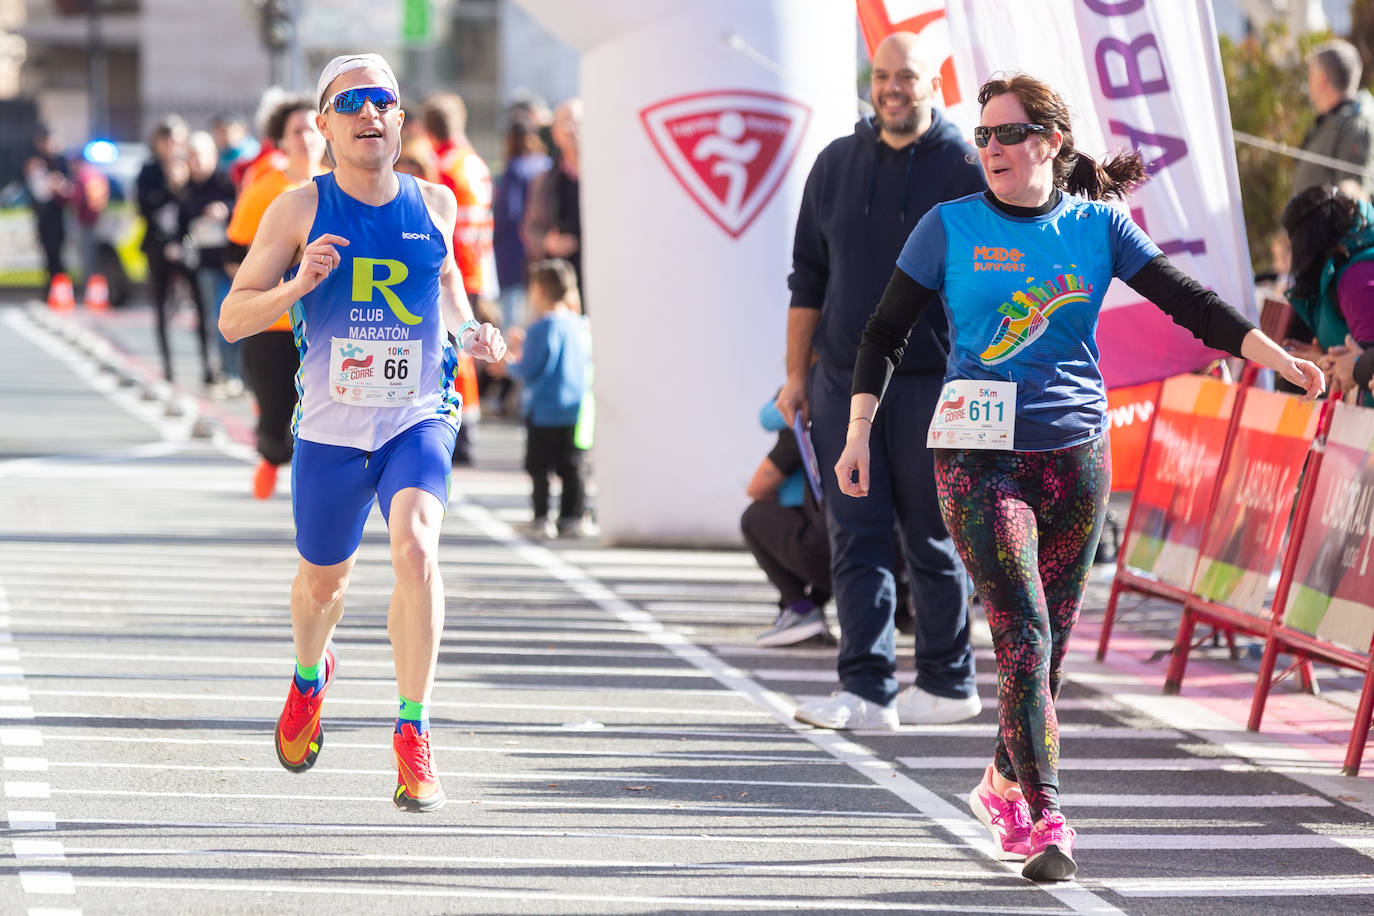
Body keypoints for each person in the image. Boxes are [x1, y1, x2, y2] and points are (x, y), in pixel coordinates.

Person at [836, 72, 1326, 881]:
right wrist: (857, 434)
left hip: (1074, 457)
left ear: (1051, 143)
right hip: (975, 456)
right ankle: (1047, 815)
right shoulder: (947, 226)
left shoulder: (1098, 225)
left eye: (1006, 134)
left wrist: (1278, 357)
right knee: (1023, 629)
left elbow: (1188, 301)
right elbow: (883, 332)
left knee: (1048, 651)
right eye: (982, 135)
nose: (989, 148)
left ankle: (1001, 780)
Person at [220, 53, 507, 812]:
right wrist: (297, 284)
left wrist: (473, 332)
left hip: (417, 415)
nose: (368, 113)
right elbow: (231, 316)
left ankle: (412, 732)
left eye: (382, 101)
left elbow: (449, 292)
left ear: (401, 120)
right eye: (350, 103)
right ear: (324, 127)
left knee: (417, 550)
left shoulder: (435, 204)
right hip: (330, 430)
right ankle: (309, 676)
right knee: (324, 585)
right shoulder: (295, 210)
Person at [778, 32, 986, 732]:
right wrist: (794, 375)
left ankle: (947, 683)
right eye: (883, 76)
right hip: (841, 383)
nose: (893, 88)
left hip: (935, 384)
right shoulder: (836, 163)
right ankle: (865, 690)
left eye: (908, 77)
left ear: (934, 83)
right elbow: (808, 276)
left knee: (934, 537)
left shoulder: (966, 168)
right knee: (856, 535)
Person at [224, 96, 329, 498]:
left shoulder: (338, 188)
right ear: (281, 141)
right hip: (273, 324)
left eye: (311, 129)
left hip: (324, 326)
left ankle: (313, 488)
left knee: (320, 417)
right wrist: (272, 287)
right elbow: (234, 255)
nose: (306, 138)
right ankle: (270, 454)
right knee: (274, 423)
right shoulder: (265, 187)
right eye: (296, 131)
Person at [503, 258, 591, 539]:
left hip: (543, 410)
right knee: (572, 465)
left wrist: (507, 362)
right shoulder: (579, 324)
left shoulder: (542, 327)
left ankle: (542, 518)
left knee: (539, 467)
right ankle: (573, 516)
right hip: (574, 410)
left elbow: (530, 369)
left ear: (539, 291)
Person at [743, 393, 834, 647]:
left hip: (836, 555)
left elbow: (757, 488)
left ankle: (802, 609)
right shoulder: (862, 412)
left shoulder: (804, 422)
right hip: (896, 553)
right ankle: (809, 608)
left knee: (754, 518)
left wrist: (794, 393)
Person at [138, 115, 214, 387]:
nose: (173, 145)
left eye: (178, 140)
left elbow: (196, 205)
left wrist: (182, 187)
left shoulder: (189, 169)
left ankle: (209, 364)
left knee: (201, 306)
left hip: (187, 245)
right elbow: (143, 207)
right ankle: (167, 366)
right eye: (167, 140)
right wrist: (168, 188)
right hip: (157, 246)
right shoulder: (149, 171)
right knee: (161, 306)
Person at [1281, 184, 1374, 402]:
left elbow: (1366, 366)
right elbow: (1361, 360)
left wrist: (1352, 367)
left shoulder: (1356, 276)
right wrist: (1325, 360)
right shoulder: (1345, 268)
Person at [182, 130, 240, 395]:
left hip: (231, 263)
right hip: (205, 263)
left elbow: (241, 207)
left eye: (200, 157)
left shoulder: (226, 180)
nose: (195, 163)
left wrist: (224, 209)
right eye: (191, 158)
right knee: (215, 319)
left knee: (237, 316)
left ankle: (238, 372)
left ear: (212, 157)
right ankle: (225, 373)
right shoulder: (188, 187)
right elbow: (183, 216)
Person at [522, 99, 584, 312]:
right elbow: (530, 230)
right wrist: (549, 242)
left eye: (576, 121)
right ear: (555, 133)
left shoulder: (607, 179)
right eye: (564, 122)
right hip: (560, 289)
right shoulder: (545, 181)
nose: (570, 129)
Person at [1293, 39, 1374, 199]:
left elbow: (1353, 199)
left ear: (1321, 78)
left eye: (1311, 73)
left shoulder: (1357, 125)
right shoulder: (1335, 120)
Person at [493, 113, 551, 331]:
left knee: (514, 327)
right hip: (543, 253)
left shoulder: (515, 169)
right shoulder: (546, 165)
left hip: (514, 256)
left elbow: (510, 212)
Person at [24, 126, 72, 291]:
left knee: (57, 255)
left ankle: (60, 289)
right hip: (43, 217)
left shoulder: (60, 161)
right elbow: (35, 189)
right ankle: (52, 289)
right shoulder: (36, 161)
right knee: (48, 256)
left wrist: (56, 183)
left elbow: (67, 187)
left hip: (58, 216)